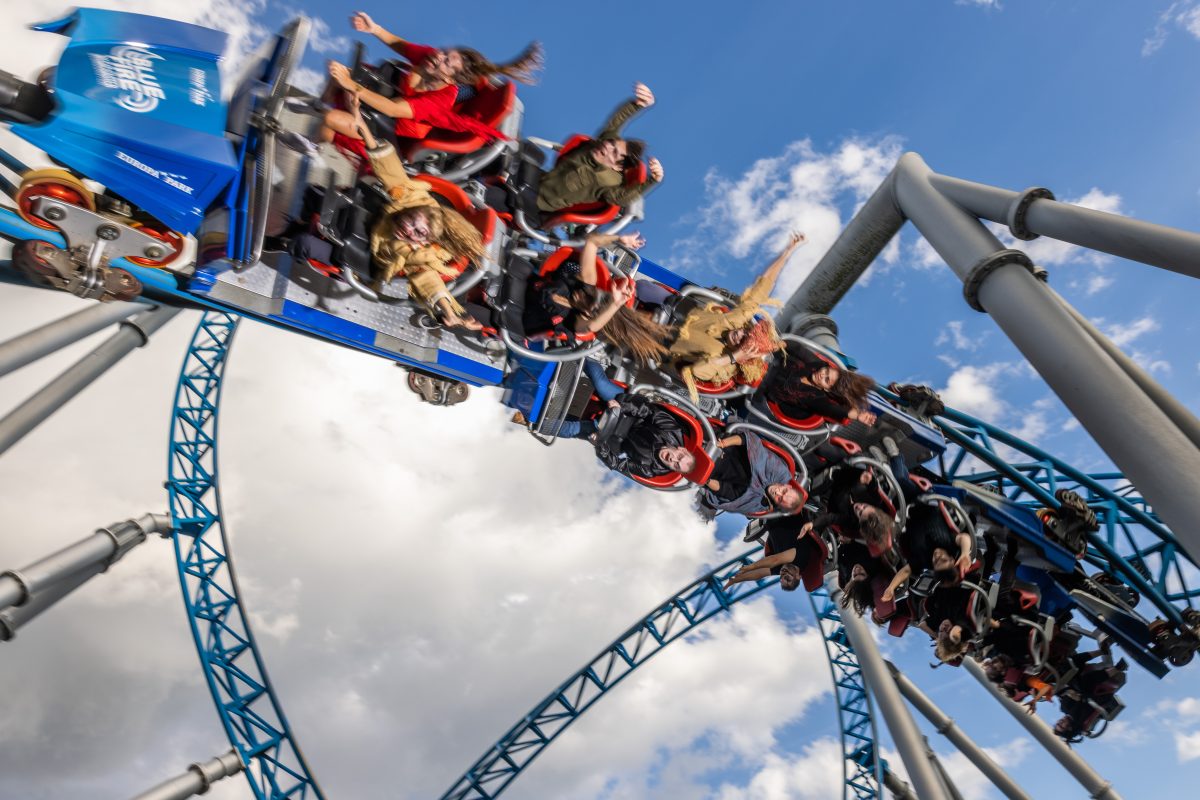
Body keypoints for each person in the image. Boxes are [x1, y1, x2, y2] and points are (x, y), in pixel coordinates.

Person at [290, 96, 485, 329]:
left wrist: (449, 313)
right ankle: (303, 219)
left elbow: (430, 282)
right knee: (315, 194)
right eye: (413, 222)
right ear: (413, 210)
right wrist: (363, 127)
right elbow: (390, 168)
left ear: (425, 242)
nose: (410, 231)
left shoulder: (416, 255)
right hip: (366, 222)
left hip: (367, 259)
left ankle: (283, 243)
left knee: (303, 243)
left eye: (418, 233)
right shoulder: (409, 198)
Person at [309, 11, 542, 161]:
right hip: (386, 97)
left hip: (390, 128)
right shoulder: (431, 58)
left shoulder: (441, 98)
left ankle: (312, 144)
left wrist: (350, 85)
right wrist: (374, 28)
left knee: (331, 120)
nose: (438, 57)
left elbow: (391, 110)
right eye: (444, 54)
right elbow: (401, 46)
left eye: (446, 62)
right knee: (339, 74)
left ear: (451, 79)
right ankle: (317, 108)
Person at [669, 232, 806, 402]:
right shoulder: (739, 321)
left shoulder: (727, 365)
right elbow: (763, 287)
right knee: (645, 288)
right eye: (745, 333)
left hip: (662, 342)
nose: (740, 334)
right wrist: (788, 252)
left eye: (743, 342)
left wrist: (734, 357)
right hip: (672, 309)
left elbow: (698, 371)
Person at [519, 231, 671, 365]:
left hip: (514, 316)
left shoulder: (578, 321)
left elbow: (592, 326)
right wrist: (620, 239)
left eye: (594, 305)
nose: (583, 297)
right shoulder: (587, 284)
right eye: (597, 296)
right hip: (520, 278)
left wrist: (614, 304)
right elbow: (592, 241)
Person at [534, 83, 665, 215]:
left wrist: (653, 180)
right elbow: (617, 121)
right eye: (612, 144)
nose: (607, 146)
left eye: (614, 153)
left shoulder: (608, 181)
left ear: (617, 167)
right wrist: (638, 104)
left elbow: (621, 197)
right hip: (537, 179)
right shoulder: (604, 143)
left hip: (537, 202)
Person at [760, 340, 878, 426]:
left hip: (763, 385)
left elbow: (833, 409)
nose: (822, 374)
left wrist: (858, 415)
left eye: (826, 380)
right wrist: (780, 344)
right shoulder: (818, 365)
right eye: (826, 371)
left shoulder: (816, 399)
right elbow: (798, 348)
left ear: (827, 389)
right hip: (771, 359)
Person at [697, 430, 805, 517]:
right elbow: (749, 441)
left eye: (780, 499)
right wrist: (722, 444)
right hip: (723, 444)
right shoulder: (779, 471)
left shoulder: (756, 505)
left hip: (710, 471)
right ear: (788, 486)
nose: (778, 493)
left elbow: (726, 491)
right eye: (784, 491)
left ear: (777, 505)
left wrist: (706, 479)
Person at [723, 512, 828, 592]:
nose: (783, 574)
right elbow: (775, 559)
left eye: (781, 578)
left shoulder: (783, 568)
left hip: (769, 517)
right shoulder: (800, 560)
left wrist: (736, 580)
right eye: (787, 578)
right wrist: (751, 566)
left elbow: (759, 574)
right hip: (785, 512)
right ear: (798, 576)